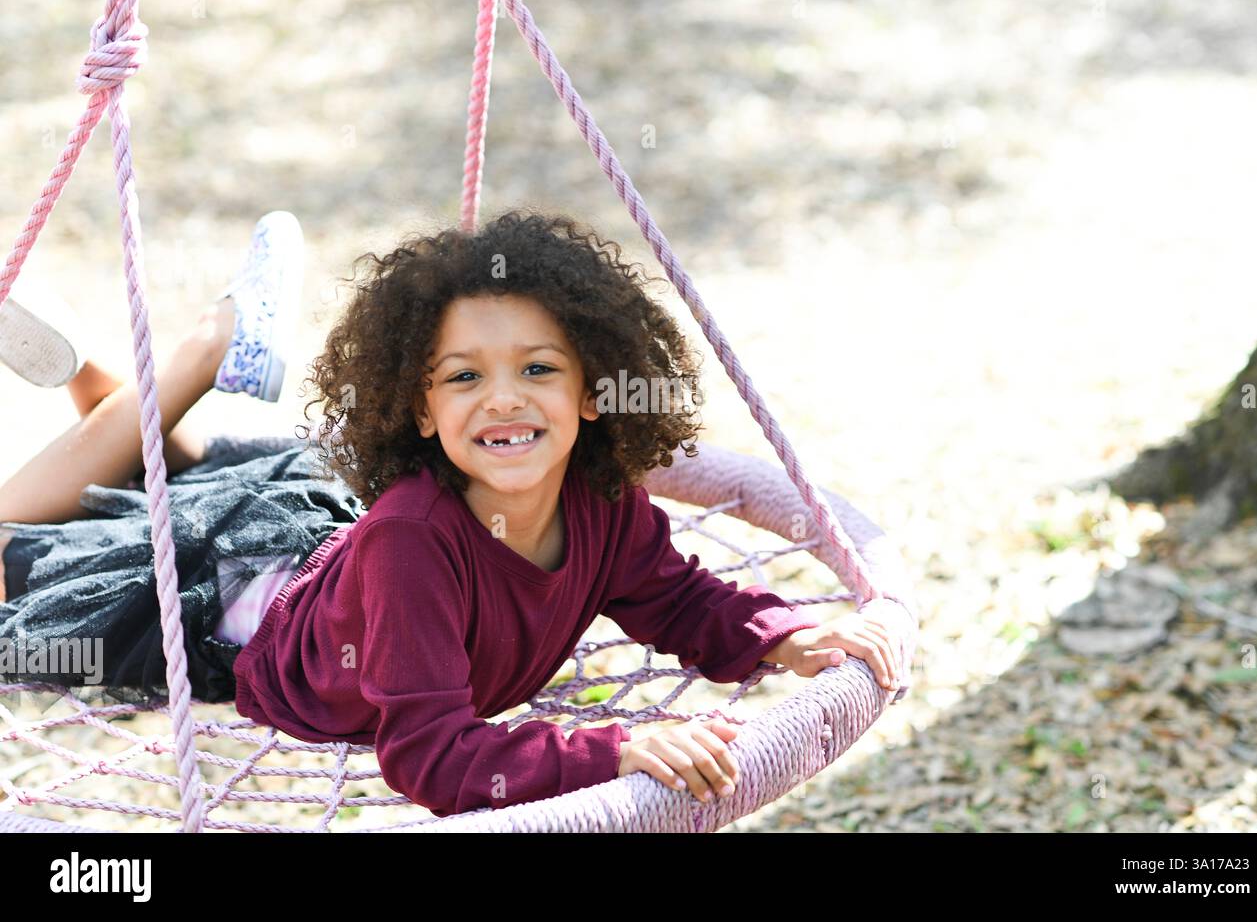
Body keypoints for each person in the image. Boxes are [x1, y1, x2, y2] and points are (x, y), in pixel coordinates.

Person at [0, 208, 904, 817]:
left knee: (186, 475)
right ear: (422, 411)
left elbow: (679, 599)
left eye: (539, 370)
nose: (504, 401)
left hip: (313, 550)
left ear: (595, 391)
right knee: (29, 544)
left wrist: (786, 634)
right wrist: (613, 750)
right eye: (466, 377)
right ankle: (206, 347)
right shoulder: (411, 541)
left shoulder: (600, 496)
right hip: (238, 617)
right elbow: (432, 756)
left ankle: (92, 374)